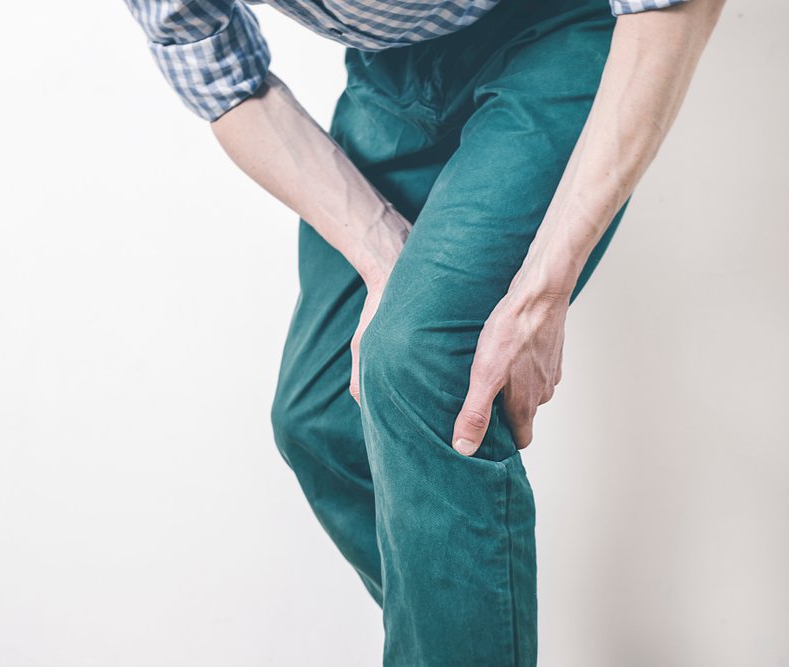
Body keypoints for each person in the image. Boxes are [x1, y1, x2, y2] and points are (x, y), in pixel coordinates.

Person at [123, 0, 725, 664]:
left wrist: (543, 287)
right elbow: (220, 75)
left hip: (561, 27)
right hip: (393, 71)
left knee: (422, 362)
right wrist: (382, 255)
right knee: (324, 416)